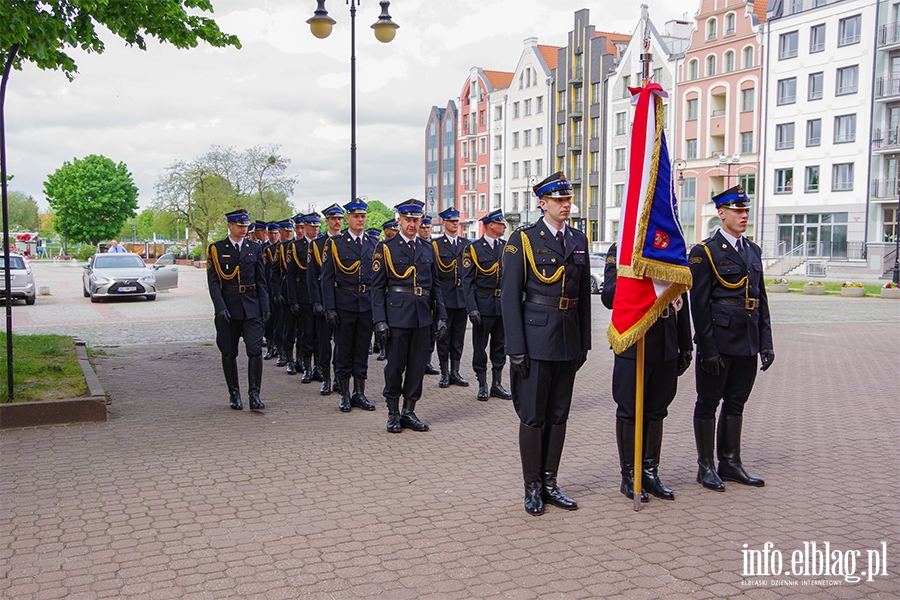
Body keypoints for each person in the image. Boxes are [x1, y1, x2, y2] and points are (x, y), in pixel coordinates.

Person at [501, 172, 590, 516]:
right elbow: (510, 299)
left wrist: (584, 343)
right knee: (534, 417)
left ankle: (551, 482)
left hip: (567, 340)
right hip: (535, 339)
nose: (565, 205)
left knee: (558, 416)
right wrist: (515, 348)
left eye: (568, 200)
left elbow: (582, 297)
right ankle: (533, 487)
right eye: (558, 200)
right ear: (542, 203)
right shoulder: (523, 240)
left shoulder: (578, 239)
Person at [690, 185, 774, 492]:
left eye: (746, 210)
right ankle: (706, 466)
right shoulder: (705, 252)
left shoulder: (752, 251)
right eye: (737, 210)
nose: (743, 215)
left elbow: (760, 299)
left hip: (747, 339)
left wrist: (766, 342)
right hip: (720, 341)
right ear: (721, 213)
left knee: (736, 402)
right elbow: (699, 305)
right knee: (708, 402)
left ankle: (730, 461)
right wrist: (707, 347)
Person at [601, 243, 693, 502]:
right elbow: (608, 296)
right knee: (630, 410)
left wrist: (685, 343)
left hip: (666, 339)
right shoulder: (621, 249)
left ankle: (650, 472)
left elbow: (679, 296)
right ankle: (630, 476)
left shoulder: (670, 247)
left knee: (657, 411)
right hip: (634, 340)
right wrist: (632, 271)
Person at [371, 199, 447, 433]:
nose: (413, 224)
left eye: (417, 220)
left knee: (416, 367)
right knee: (394, 366)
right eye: (408, 220)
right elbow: (377, 287)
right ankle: (393, 412)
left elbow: (435, 285)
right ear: (399, 220)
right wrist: (380, 320)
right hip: (396, 315)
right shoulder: (386, 247)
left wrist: (441, 314)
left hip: (422, 315)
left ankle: (409, 411)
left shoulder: (427, 248)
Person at [207, 209, 269, 411]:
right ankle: (234, 393)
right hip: (229, 306)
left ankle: (254, 394)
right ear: (230, 226)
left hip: (251, 306)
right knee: (228, 352)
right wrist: (220, 308)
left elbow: (261, 280)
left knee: (254, 350)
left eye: (246, 226)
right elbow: (214, 283)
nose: (244, 229)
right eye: (240, 226)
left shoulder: (254, 248)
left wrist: (265, 306)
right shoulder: (217, 249)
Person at [321, 198, 378, 413]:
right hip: (344, 303)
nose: (360, 220)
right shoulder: (335, 243)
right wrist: (329, 307)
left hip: (367, 304)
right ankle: (344, 393)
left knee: (362, 350)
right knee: (344, 350)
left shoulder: (374, 244)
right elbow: (327, 279)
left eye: (363, 216)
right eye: (356, 216)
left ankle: (359, 392)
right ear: (348, 219)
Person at [460, 209, 512, 401]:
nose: (504, 226)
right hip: (482, 304)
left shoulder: (506, 248)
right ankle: (482, 384)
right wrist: (471, 308)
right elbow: (467, 282)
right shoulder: (474, 249)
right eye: (501, 223)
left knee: (500, 346)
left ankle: (497, 384)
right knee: (480, 346)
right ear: (491, 225)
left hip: (501, 305)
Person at [309, 203, 345, 395]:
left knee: (341, 343)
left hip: (343, 299)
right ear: (327, 221)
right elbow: (313, 276)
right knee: (323, 342)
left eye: (339, 218)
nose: (337, 222)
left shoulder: (346, 241)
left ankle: (339, 378)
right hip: (325, 299)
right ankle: (325, 378)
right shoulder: (317, 244)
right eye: (333, 219)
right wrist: (317, 301)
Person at [433, 207, 470, 388]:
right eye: (451, 221)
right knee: (444, 337)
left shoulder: (466, 245)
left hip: (461, 297)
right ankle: (445, 372)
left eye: (456, 220)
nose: (455, 223)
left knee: (458, 337)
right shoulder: (436, 245)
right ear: (444, 223)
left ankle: (455, 371)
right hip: (445, 297)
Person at [281, 214, 317, 378]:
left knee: (315, 333)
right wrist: (292, 299)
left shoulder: (321, 244)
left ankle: (312, 365)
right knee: (299, 331)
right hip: (301, 291)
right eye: (301, 227)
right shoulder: (295, 246)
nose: (303, 230)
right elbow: (290, 275)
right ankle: (296, 362)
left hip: (318, 293)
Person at [373, 220, 401, 362]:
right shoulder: (382, 247)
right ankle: (381, 348)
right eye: (392, 230)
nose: (395, 231)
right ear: (386, 231)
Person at [418, 217, 440, 376]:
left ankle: (428, 360)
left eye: (428, 228)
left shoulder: (433, 246)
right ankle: (422, 361)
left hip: (431, 295)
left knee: (432, 331)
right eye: (423, 228)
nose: (426, 230)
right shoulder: (420, 246)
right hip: (419, 296)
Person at [272, 220, 295, 368]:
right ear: (280, 231)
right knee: (286, 326)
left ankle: (300, 359)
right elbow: (274, 272)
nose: (289, 233)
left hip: (300, 291)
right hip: (285, 290)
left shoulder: (297, 246)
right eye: (285, 231)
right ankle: (286, 355)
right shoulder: (281, 248)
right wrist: (277, 292)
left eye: (290, 230)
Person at [263, 222, 281, 359]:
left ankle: (279, 347)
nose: (273, 236)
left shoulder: (283, 247)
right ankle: (270, 345)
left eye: (275, 233)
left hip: (280, 289)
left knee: (280, 321)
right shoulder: (263, 248)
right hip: (267, 289)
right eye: (271, 233)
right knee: (269, 320)